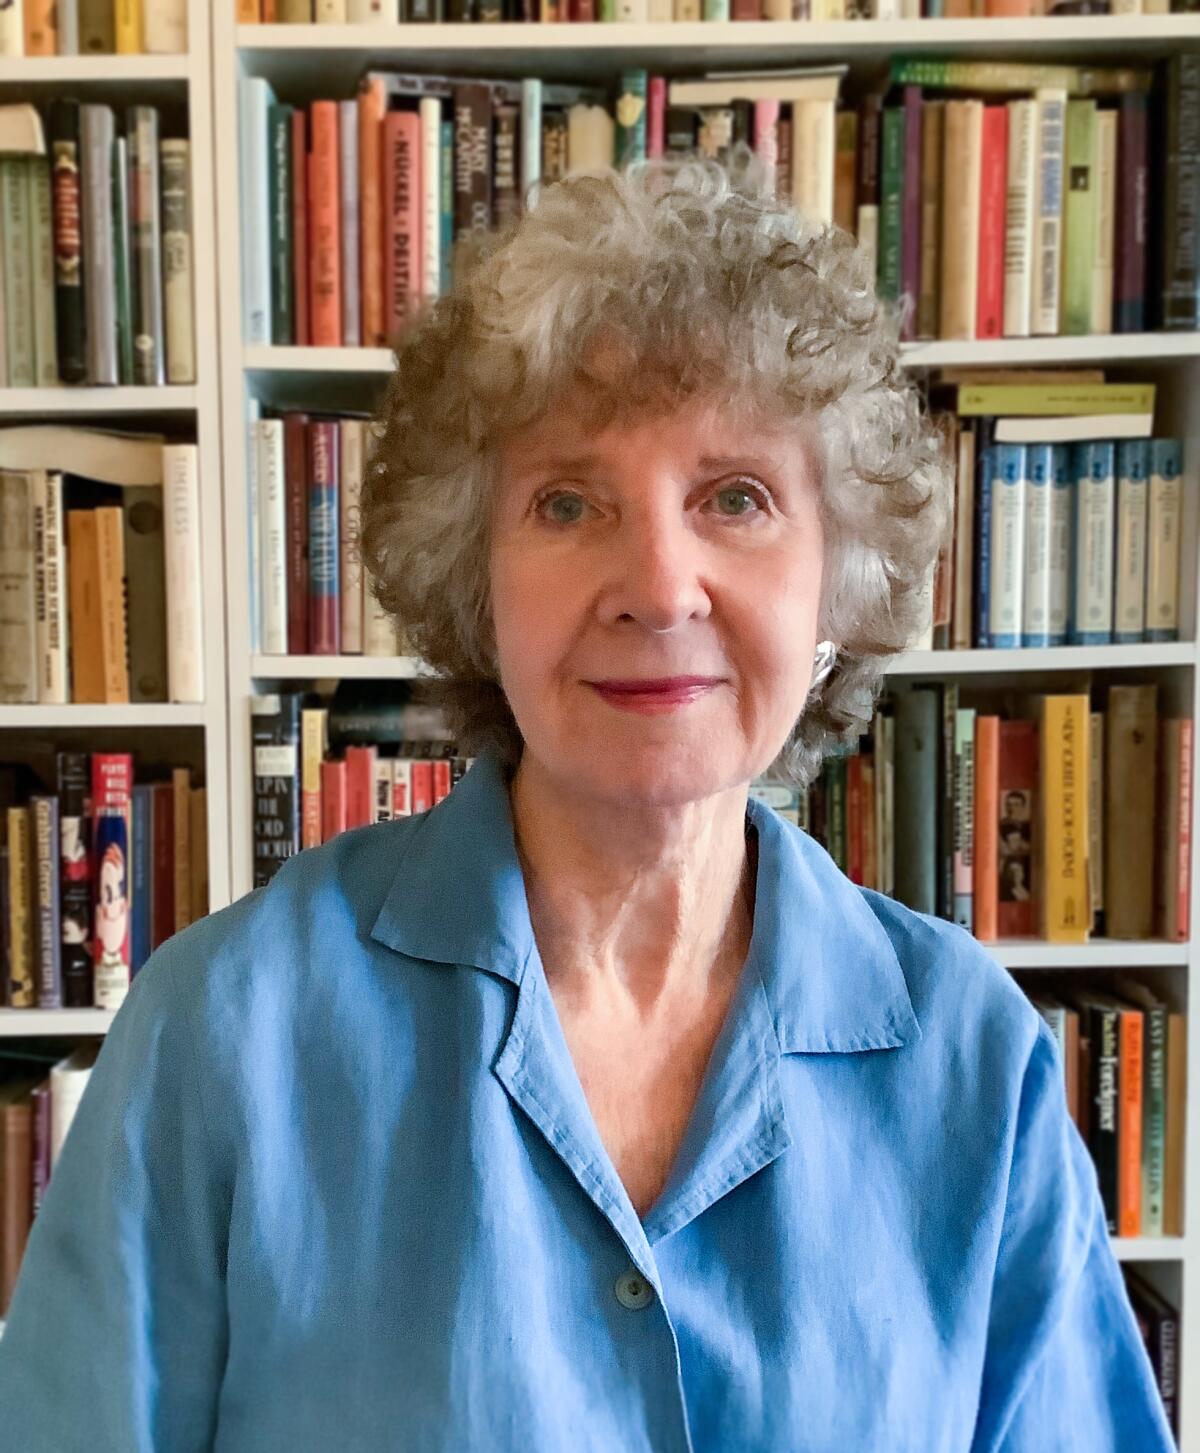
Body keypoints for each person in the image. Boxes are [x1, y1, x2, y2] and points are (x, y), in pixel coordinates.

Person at [0, 155, 1173, 1452]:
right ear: (472, 580)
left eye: (737, 497)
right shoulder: (225, 1031)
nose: (658, 585)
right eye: (569, 501)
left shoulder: (970, 1063)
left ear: (840, 584)